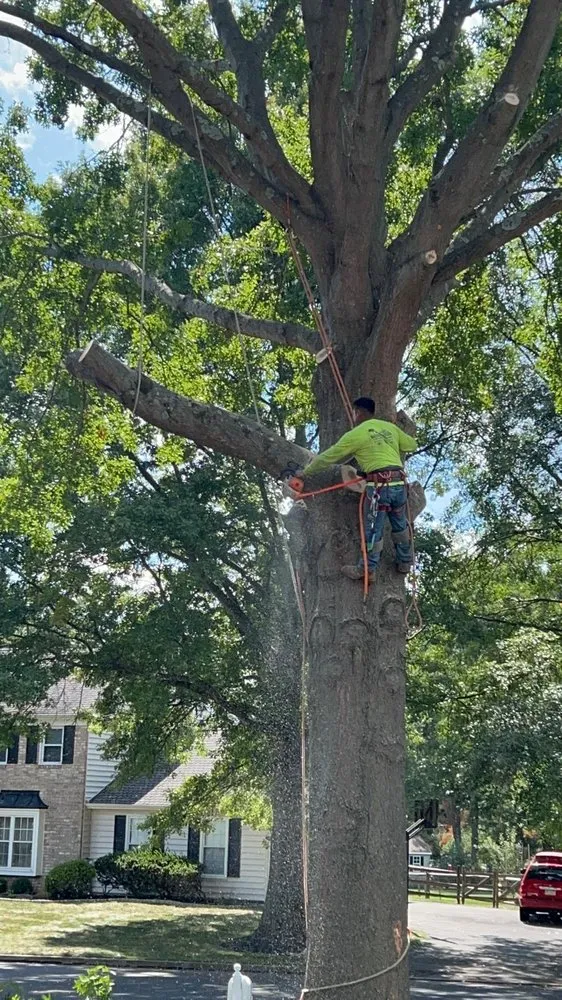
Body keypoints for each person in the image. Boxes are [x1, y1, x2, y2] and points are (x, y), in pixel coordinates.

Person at [302, 397, 417, 581]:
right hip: (399, 484)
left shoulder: (356, 434)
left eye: (354, 413)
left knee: (373, 529)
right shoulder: (390, 428)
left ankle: (367, 569)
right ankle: (405, 561)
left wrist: (305, 472)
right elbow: (411, 444)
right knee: (400, 524)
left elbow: (330, 456)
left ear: (358, 412)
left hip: (379, 488)